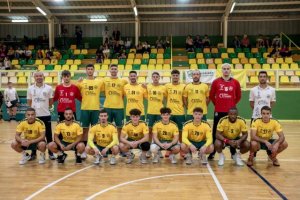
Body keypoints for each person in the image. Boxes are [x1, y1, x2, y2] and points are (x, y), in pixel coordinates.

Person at [209, 63, 241, 160]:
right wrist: (218, 104)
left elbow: (238, 96)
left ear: (230, 70)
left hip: (231, 112)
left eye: (228, 69)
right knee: (215, 132)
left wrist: (231, 105)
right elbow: (211, 96)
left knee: (232, 132)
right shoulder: (216, 82)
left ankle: (233, 152)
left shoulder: (235, 82)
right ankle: (213, 152)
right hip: (219, 110)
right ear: (221, 70)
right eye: (224, 69)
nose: (226, 70)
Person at [77, 64, 104, 159]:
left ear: (94, 70)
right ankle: (83, 151)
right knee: (84, 130)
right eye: (88, 69)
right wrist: (77, 82)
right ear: (86, 70)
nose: (89, 71)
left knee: (96, 131)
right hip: (85, 108)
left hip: (96, 109)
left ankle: (96, 150)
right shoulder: (81, 82)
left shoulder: (99, 82)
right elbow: (76, 93)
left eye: (91, 69)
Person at [27, 71, 55, 160]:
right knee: (34, 135)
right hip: (34, 117)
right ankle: (33, 153)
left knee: (48, 135)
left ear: (43, 77)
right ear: (34, 78)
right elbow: (29, 102)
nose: (39, 77)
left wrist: (43, 107)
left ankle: (51, 153)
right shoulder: (30, 88)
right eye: (37, 76)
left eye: (40, 76)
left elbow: (51, 102)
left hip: (46, 114)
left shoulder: (49, 88)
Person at [102, 64, 128, 137]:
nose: (113, 70)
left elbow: (124, 94)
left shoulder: (123, 81)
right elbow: (103, 92)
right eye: (112, 69)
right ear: (109, 70)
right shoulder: (105, 80)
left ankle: (119, 142)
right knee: (107, 126)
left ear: (117, 70)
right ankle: (108, 141)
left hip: (119, 107)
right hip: (107, 106)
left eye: (115, 69)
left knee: (120, 127)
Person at [147, 72, 167, 138]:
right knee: (149, 129)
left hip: (160, 112)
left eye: (157, 77)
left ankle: (159, 144)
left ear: (159, 78)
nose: (155, 78)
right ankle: (149, 144)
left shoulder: (163, 88)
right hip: (150, 112)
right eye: (154, 77)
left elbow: (165, 98)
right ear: (152, 78)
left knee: (160, 129)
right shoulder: (148, 86)